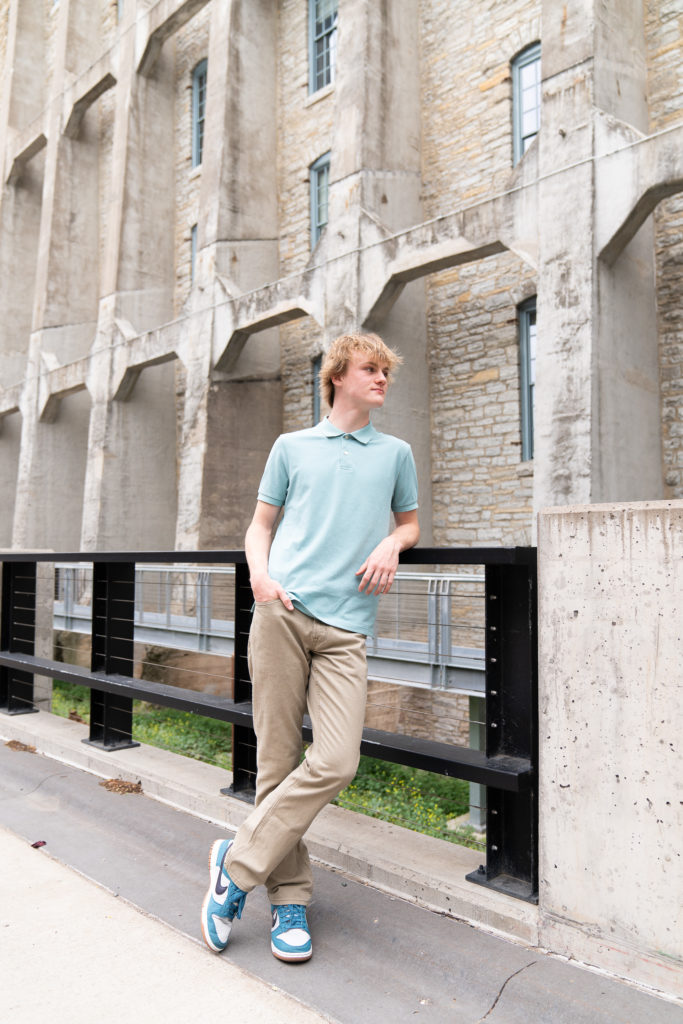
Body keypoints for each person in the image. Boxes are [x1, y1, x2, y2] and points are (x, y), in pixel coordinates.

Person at [201, 331, 419, 962]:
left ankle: (234, 868)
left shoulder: (395, 453)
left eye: (386, 371)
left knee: (336, 761)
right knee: (276, 763)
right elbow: (260, 525)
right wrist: (261, 579)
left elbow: (408, 522)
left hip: (347, 628)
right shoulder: (292, 446)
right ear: (338, 377)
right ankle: (290, 901)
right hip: (282, 613)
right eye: (370, 369)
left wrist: (392, 544)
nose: (382, 379)